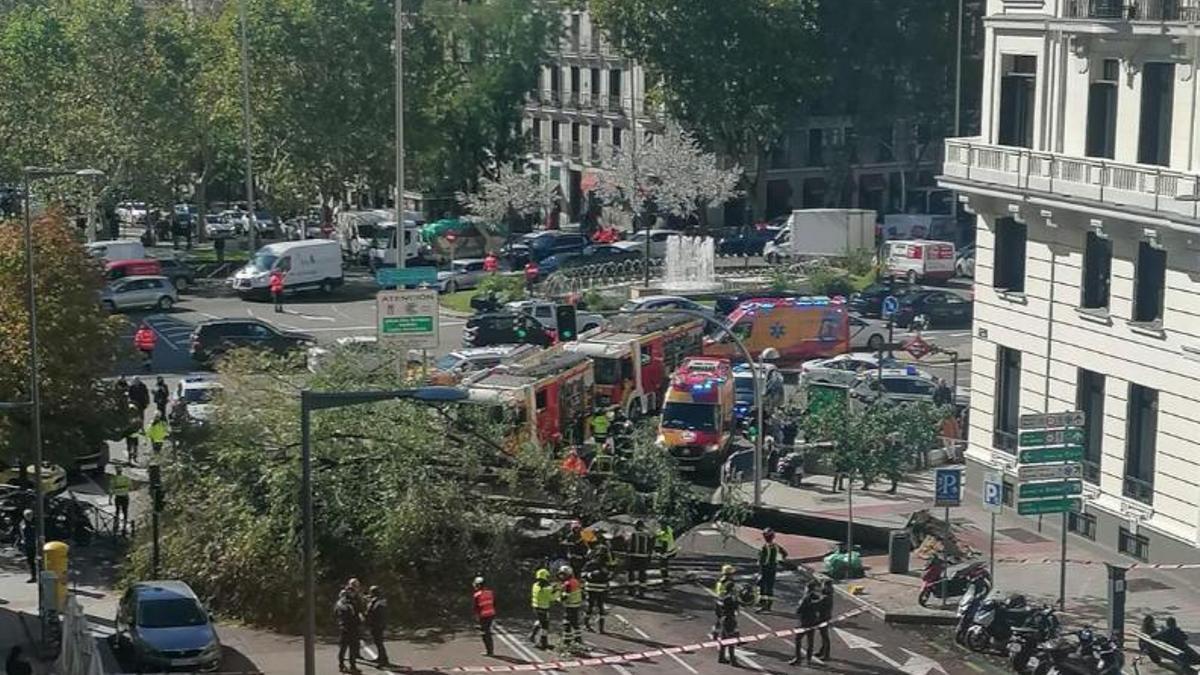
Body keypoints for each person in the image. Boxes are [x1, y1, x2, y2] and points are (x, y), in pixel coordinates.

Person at [789, 580, 822, 665]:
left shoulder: (805, 598)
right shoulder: (817, 597)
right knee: (810, 641)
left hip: (804, 622)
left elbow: (799, 610)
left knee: (798, 639)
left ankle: (798, 658)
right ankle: (809, 659)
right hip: (813, 621)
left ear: (807, 588)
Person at [757, 528, 788, 611]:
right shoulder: (776, 546)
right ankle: (769, 605)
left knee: (762, 586)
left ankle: (762, 603)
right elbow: (785, 554)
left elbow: (761, 560)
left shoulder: (764, 547)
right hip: (773, 568)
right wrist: (778, 560)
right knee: (770, 587)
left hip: (765, 568)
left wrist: (760, 570)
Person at [334, 589, 361, 673]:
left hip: (343, 628)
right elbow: (354, 616)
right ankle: (352, 665)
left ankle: (341, 665)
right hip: (350, 628)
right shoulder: (349, 605)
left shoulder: (338, 604)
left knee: (343, 648)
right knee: (351, 648)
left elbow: (335, 615)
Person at [557, 565, 584, 648]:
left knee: (567, 623)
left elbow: (565, 596)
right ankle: (578, 638)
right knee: (575, 622)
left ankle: (567, 641)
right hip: (576, 604)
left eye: (563, 574)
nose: (561, 576)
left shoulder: (568, 583)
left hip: (570, 605)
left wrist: (558, 599)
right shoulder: (575, 581)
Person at [714, 581, 741, 666]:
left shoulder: (722, 596)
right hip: (729, 619)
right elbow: (735, 607)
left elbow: (718, 608)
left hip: (723, 618)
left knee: (724, 639)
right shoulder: (730, 598)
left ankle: (721, 657)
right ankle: (733, 660)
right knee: (731, 640)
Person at [581, 557, 610, 634]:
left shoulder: (603, 564)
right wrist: (592, 574)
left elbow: (609, 575)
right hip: (594, 588)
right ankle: (590, 625)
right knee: (595, 606)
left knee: (596, 607)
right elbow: (583, 574)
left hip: (596, 588)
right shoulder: (591, 564)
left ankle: (597, 627)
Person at [529, 568, 555, 649]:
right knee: (545, 626)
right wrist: (557, 591)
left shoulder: (535, 585)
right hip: (543, 608)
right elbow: (552, 598)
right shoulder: (547, 588)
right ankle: (543, 642)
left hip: (536, 607)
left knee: (540, 621)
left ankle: (532, 635)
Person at [626, 520, 653, 598]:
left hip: (633, 556)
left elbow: (629, 545)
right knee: (642, 574)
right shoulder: (647, 535)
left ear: (635, 526)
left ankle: (631, 591)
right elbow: (650, 546)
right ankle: (642, 592)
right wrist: (649, 556)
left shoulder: (632, 534)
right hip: (643, 557)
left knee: (631, 573)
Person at [472, 576, 497, 656]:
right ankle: (490, 650)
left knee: (485, 633)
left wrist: (476, 617)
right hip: (491, 614)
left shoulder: (477, 595)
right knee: (487, 632)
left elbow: (476, 607)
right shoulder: (490, 592)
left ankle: (489, 651)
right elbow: (494, 603)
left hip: (483, 615)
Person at [364, 585, 388, 666]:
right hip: (377, 624)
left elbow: (373, 612)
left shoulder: (378, 602)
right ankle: (381, 657)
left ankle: (383, 660)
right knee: (378, 642)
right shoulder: (380, 601)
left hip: (377, 625)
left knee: (379, 642)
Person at [561, 522, 587, 586]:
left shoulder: (582, 535)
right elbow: (566, 544)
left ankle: (578, 582)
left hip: (580, 555)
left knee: (579, 570)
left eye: (578, 528)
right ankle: (572, 582)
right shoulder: (570, 536)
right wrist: (574, 544)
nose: (577, 529)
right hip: (573, 555)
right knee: (573, 569)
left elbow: (585, 545)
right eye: (575, 528)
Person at [816, 578, 834, 660]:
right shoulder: (828, 594)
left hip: (824, 617)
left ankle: (826, 655)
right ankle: (822, 651)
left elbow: (818, 605)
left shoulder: (825, 597)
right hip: (825, 616)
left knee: (825, 636)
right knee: (824, 635)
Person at [111, 465, 131, 535]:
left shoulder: (114, 479)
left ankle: (116, 523)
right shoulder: (126, 478)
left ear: (116, 472)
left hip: (118, 497)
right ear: (121, 471)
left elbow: (111, 490)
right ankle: (125, 524)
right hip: (125, 496)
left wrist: (110, 499)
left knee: (117, 510)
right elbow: (130, 486)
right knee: (125, 511)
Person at [17, 510, 35, 583]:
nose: (29, 516)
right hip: (28, 544)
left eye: (30, 514)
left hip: (36, 544)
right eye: (27, 515)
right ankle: (33, 576)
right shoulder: (22, 523)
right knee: (30, 561)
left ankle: (41, 576)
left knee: (40, 560)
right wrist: (22, 540)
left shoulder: (36, 522)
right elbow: (21, 532)